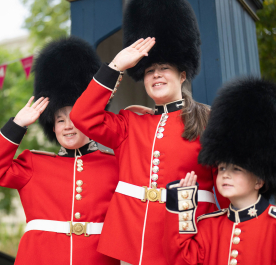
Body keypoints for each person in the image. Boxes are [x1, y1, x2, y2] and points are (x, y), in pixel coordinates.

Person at [70, 1, 229, 264]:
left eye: (164, 68)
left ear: (181, 74)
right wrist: (115, 67)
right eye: (149, 71)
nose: (156, 75)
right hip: (134, 240)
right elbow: (81, 117)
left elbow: (224, 191)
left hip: (185, 239)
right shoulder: (130, 123)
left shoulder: (208, 121)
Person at [0, 37, 119, 265]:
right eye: (60, 120)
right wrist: (18, 124)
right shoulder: (34, 163)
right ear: (52, 126)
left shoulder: (115, 164)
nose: (68, 126)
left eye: (74, 117)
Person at [163, 77, 276, 265]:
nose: (225, 174)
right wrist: (183, 207)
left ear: (259, 180)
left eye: (236, 168)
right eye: (222, 168)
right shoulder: (207, 226)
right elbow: (181, 260)